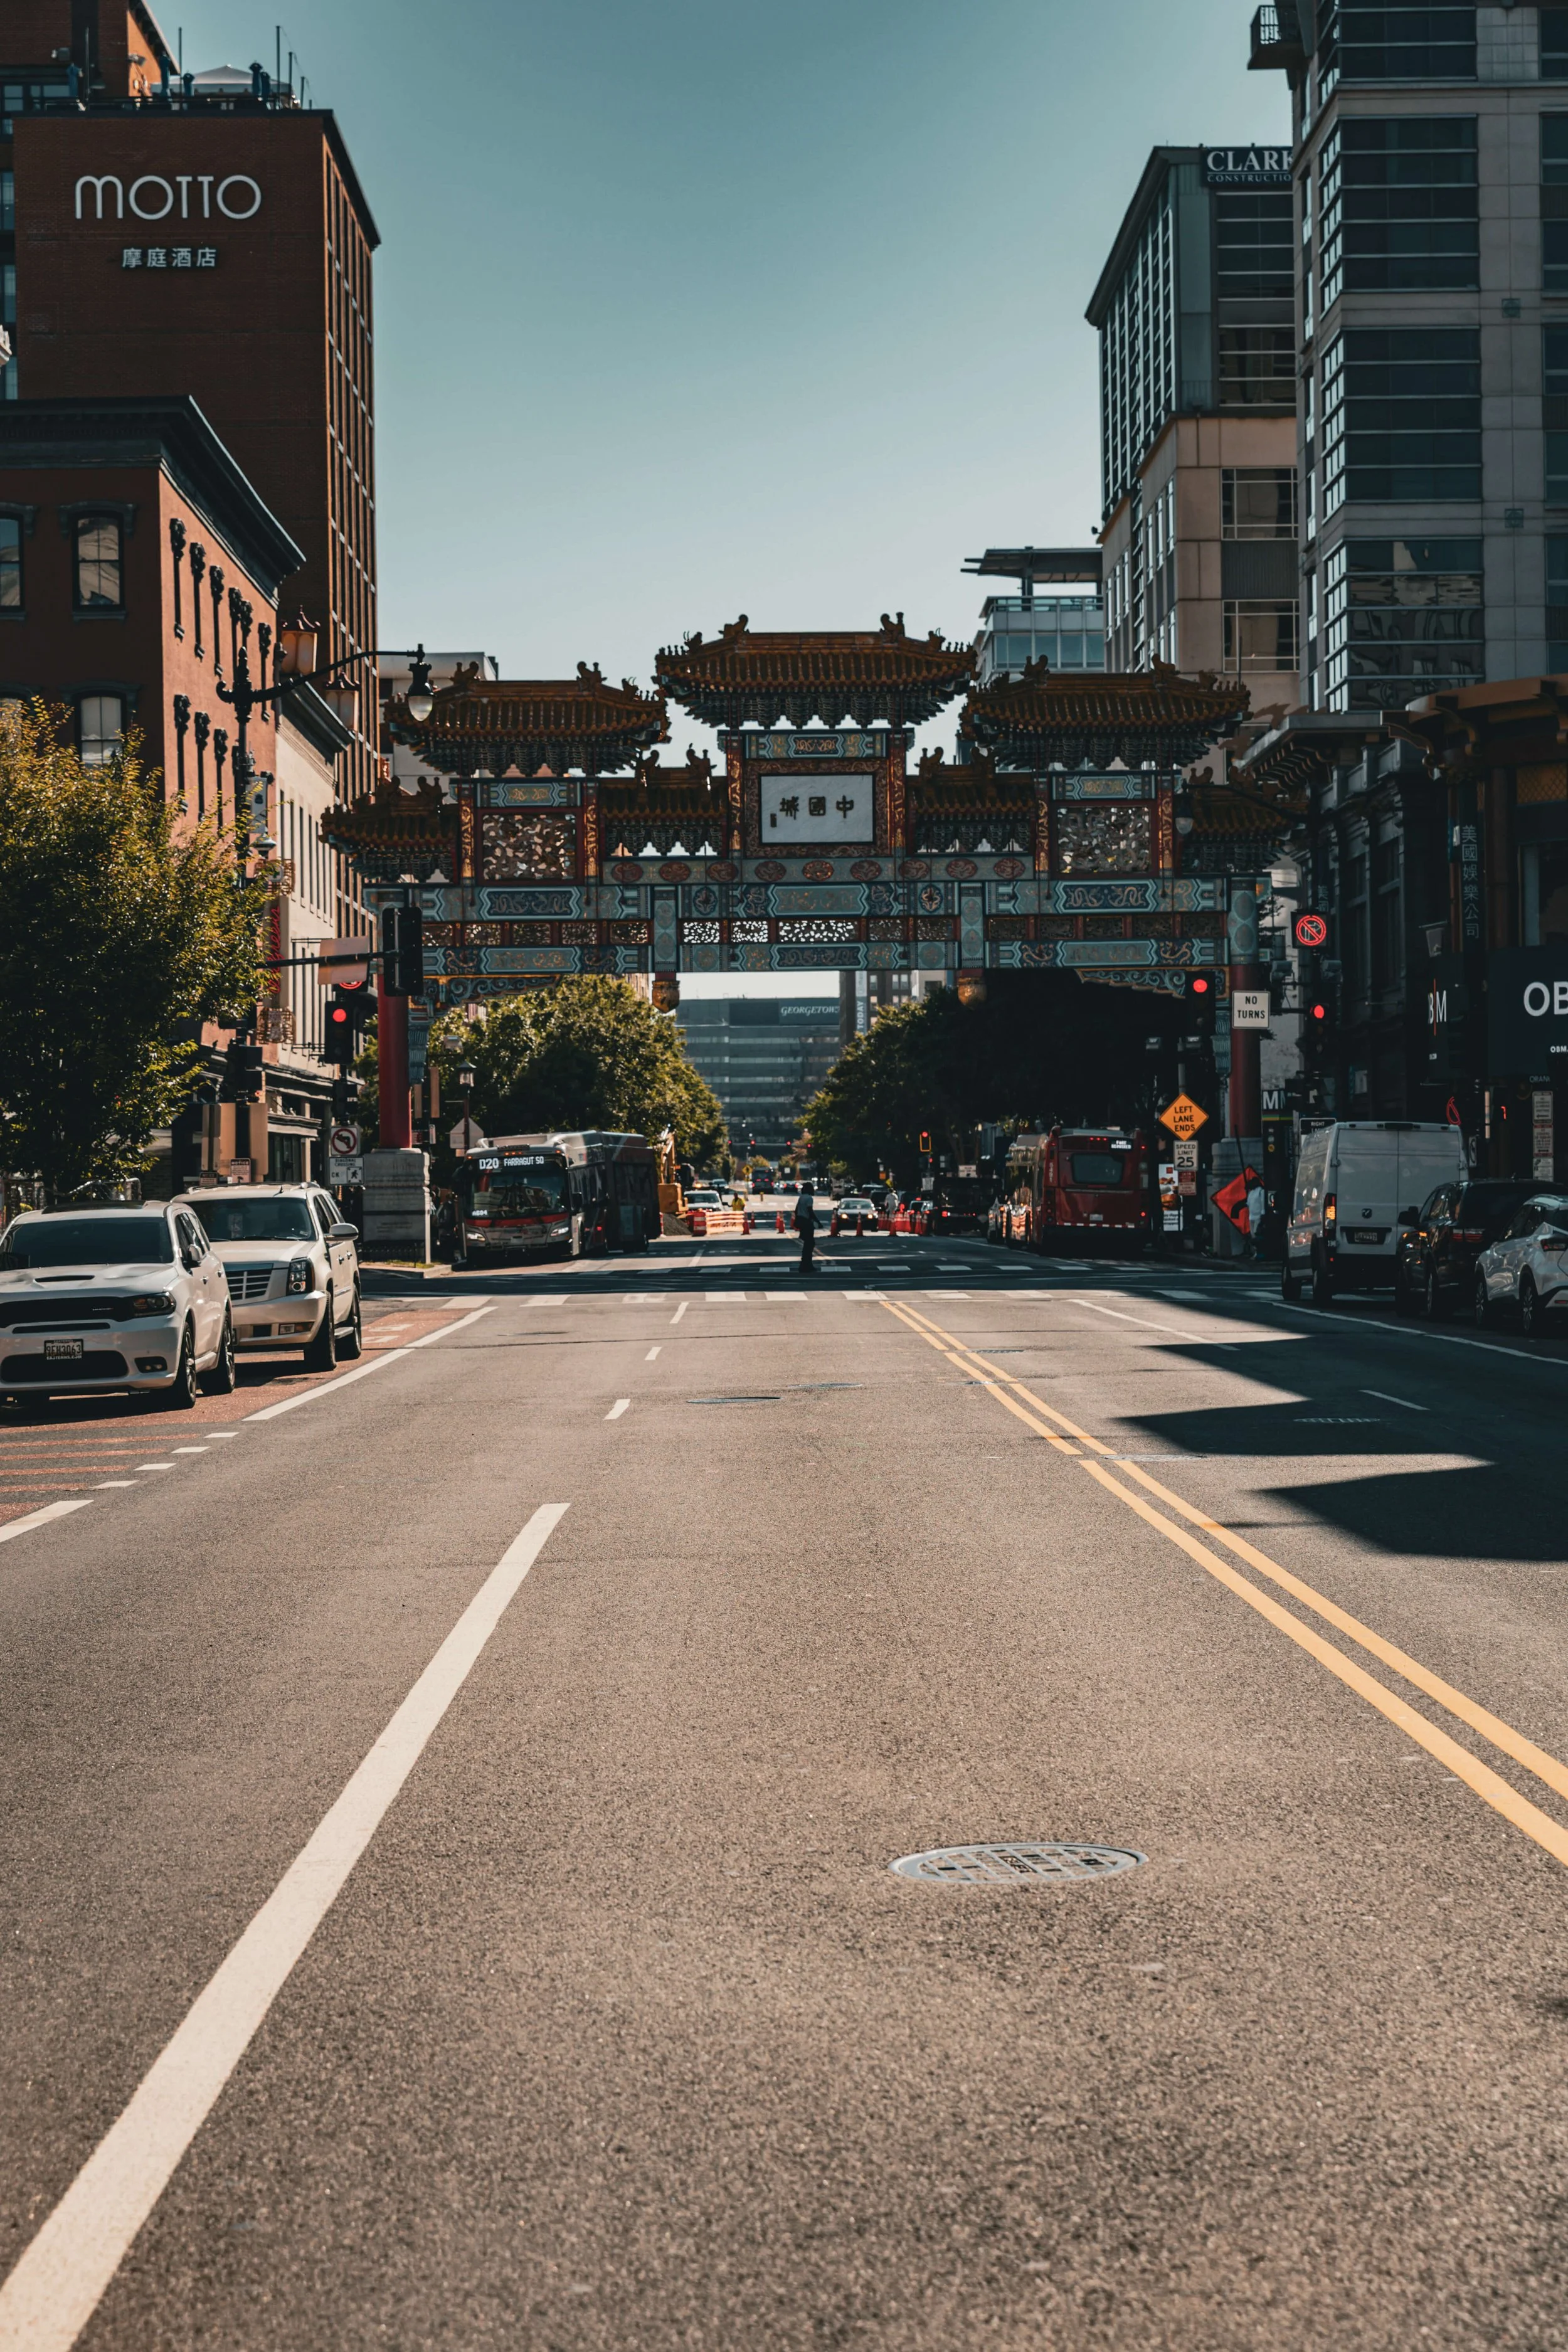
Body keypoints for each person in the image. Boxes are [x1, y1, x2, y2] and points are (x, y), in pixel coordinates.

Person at [794, 1184, 817, 1273]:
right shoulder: (809, 1199)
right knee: (810, 1244)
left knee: (808, 1243)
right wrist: (817, 1221)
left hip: (801, 1220)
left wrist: (797, 1220)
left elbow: (797, 1210)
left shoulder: (801, 1198)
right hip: (806, 1222)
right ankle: (806, 1264)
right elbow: (810, 1211)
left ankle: (805, 1264)